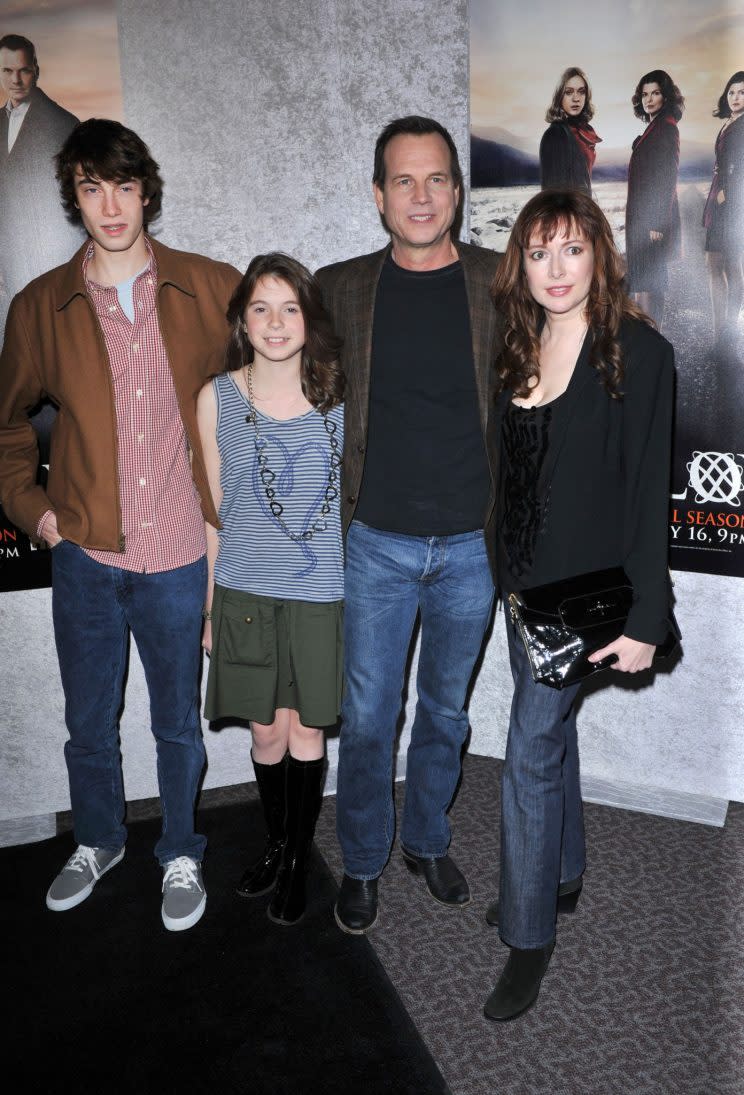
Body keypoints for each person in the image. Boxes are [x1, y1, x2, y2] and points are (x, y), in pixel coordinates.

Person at [0, 118, 240, 930]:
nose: (110, 204)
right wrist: (36, 513)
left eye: (125, 186)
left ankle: (180, 849)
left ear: (148, 191)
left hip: (178, 559)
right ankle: (98, 839)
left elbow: (260, 401)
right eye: (92, 187)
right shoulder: (40, 306)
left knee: (177, 723)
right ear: (74, 195)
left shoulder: (211, 288)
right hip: (87, 561)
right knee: (87, 723)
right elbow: (6, 426)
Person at [483, 189, 674, 1021]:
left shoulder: (637, 350)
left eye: (570, 250)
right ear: (518, 264)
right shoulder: (513, 345)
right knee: (549, 733)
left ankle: (529, 937)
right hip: (523, 589)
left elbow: (645, 498)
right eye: (537, 252)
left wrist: (645, 621)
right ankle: (558, 876)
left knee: (527, 746)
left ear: (598, 253)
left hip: (590, 596)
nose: (554, 269)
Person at [316, 115, 503, 935]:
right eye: (403, 181)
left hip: (472, 544)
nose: (420, 196)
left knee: (446, 713)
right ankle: (362, 859)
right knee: (367, 717)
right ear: (378, 195)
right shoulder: (341, 288)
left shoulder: (502, 282)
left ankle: (426, 836)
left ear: (457, 192)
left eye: (435, 180)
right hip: (377, 544)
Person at [197, 253, 344, 926]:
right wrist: (208, 607)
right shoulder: (216, 397)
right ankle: (278, 841)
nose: (276, 322)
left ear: (308, 318)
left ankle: (295, 861)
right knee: (265, 731)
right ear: (242, 320)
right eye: (261, 308)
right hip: (245, 592)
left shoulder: (338, 400)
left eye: (290, 307)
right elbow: (213, 510)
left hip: (319, 595)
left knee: (307, 727)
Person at [0, 34, 82, 328]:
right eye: (7, 71)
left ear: (36, 70)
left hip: (48, 274)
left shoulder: (64, 125)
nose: (16, 79)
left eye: (23, 70)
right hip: (5, 282)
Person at [625, 69, 684, 328]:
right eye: (645, 94)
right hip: (643, 219)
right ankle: (647, 346)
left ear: (666, 96)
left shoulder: (667, 128)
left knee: (651, 283)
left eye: (656, 93)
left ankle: (652, 347)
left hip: (652, 221)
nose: (649, 99)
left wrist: (658, 223)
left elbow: (667, 176)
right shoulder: (654, 126)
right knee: (643, 282)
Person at [703, 71, 744, 349]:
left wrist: (726, 193)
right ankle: (722, 332)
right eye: (732, 92)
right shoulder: (731, 121)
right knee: (717, 265)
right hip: (721, 199)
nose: (735, 97)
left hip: (731, 203)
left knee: (729, 266)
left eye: (741, 92)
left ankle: (727, 331)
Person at [539, 67, 601, 195]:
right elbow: (552, 194)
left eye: (581, 92)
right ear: (559, 96)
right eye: (569, 92)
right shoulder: (555, 134)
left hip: (582, 208)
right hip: (568, 212)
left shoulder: (582, 132)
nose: (576, 98)